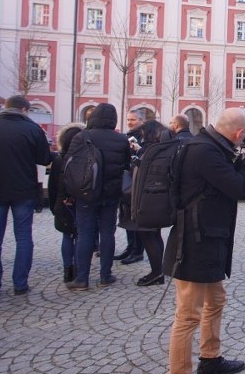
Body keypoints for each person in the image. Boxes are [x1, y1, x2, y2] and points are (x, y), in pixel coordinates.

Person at [163, 108, 245, 374]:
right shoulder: (204, 152)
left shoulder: (210, 146)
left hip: (208, 239)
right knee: (187, 316)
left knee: (215, 300)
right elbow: (239, 187)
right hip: (194, 242)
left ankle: (210, 359)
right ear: (239, 134)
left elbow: (228, 176)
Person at [0, 95, 53, 299]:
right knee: (23, 236)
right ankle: (20, 284)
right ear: (24, 110)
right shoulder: (33, 130)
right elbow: (44, 158)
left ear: (5, 107)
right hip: (23, 190)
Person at [65, 103, 131, 291]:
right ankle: (105, 276)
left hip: (86, 192)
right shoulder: (121, 140)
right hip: (111, 193)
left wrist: (70, 191)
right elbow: (125, 165)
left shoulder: (81, 136)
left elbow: (69, 166)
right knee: (107, 233)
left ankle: (82, 279)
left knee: (85, 233)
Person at [121, 118, 172, 287]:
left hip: (147, 199)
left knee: (149, 236)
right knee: (154, 235)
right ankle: (159, 270)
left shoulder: (150, 150)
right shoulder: (164, 148)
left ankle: (157, 272)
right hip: (158, 198)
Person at [47, 122, 85, 283]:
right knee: (81, 236)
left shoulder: (58, 159)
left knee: (67, 236)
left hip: (63, 202)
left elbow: (52, 186)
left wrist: (53, 206)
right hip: (81, 202)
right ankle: (78, 268)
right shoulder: (86, 159)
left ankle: (67, 269)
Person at [116, 110, 145, 264]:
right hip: (127, 178)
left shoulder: (144, 137)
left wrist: (137, 148)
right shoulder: (127, 135)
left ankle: (137, 250)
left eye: (133, 119)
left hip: (136, 181)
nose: (129, 122)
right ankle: (130, 247)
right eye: (128, 119)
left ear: (141, 120)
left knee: (135, 217)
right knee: (126, 215)